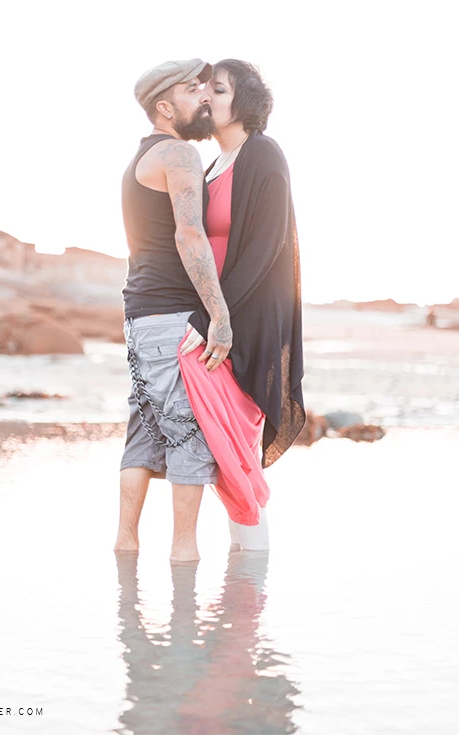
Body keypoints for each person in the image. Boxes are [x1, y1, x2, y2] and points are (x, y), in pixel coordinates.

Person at [177, 60, 306, 551]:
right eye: (203, 89)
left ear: (245, 101)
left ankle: (252, 577)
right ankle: (246, 578)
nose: (206, 97)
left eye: (219, 89)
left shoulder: (264, 154)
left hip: (245, 323)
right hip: (213, 316)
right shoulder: (211, 166)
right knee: (224, 454)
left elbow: (265, 248)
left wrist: (213, 317)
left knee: (235, 457)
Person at [114, 59, 227, 562]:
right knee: (189, 432)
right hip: (172, 317)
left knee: (145, 429)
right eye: (192, 89)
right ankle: (185, 559)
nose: (204, 96)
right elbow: (189, 234)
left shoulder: (141, 158)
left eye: (206, 87)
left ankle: (126, 547)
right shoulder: (178, 152)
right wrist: (219, 314)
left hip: (140, 316)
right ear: (164, 106)